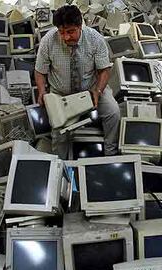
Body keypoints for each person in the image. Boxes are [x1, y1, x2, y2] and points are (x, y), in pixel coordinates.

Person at [34, 4, 120, 158]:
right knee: (59, 131)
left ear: (80, 26)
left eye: (70, 32)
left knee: (113, 112)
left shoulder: (95, 39)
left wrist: (98, 91)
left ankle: (110, 154)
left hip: (92, 88)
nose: (65, 37)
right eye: (61, 32)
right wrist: (41, 91)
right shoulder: (48, 40)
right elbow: (40, 71)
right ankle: (61, 164)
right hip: (61, 93)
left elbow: (104, 70)